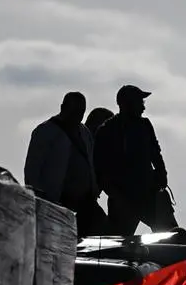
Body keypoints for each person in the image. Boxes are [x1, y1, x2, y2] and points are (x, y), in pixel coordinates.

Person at [94, 85, 176, 236]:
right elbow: (101, 170)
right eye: (140, 102)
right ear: (126, 104)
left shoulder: (145, 126)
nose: (143, 107)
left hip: (148, 196)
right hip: (122, 200)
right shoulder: (106, 130)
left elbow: (156, 154)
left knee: (171, 238)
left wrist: (161, 175)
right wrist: (116, 195)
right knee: (117, 246)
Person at [24, 92, 107, 237]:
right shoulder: (45, 131)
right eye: (75, 111)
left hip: (86, 202)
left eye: (81, 112)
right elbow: (32, 170)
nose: (78, 115)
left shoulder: (84, 132)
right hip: (58, 202)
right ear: (63, 107)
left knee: (104, 235)